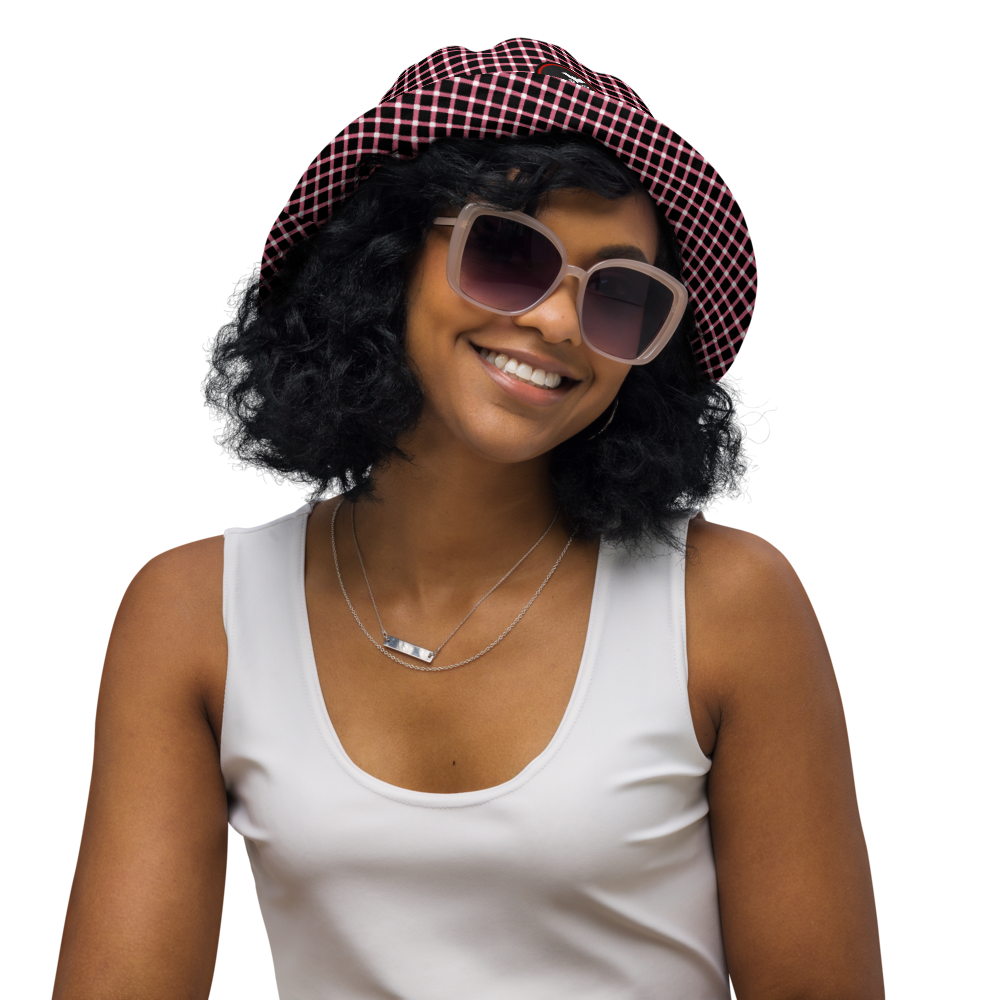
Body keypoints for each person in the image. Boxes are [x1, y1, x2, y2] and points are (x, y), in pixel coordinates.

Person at [53, 39, 883, 1000]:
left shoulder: (726, 602)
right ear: (387, 257)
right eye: (508, 253)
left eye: (618, 295)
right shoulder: (197, 613)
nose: (559, 324)